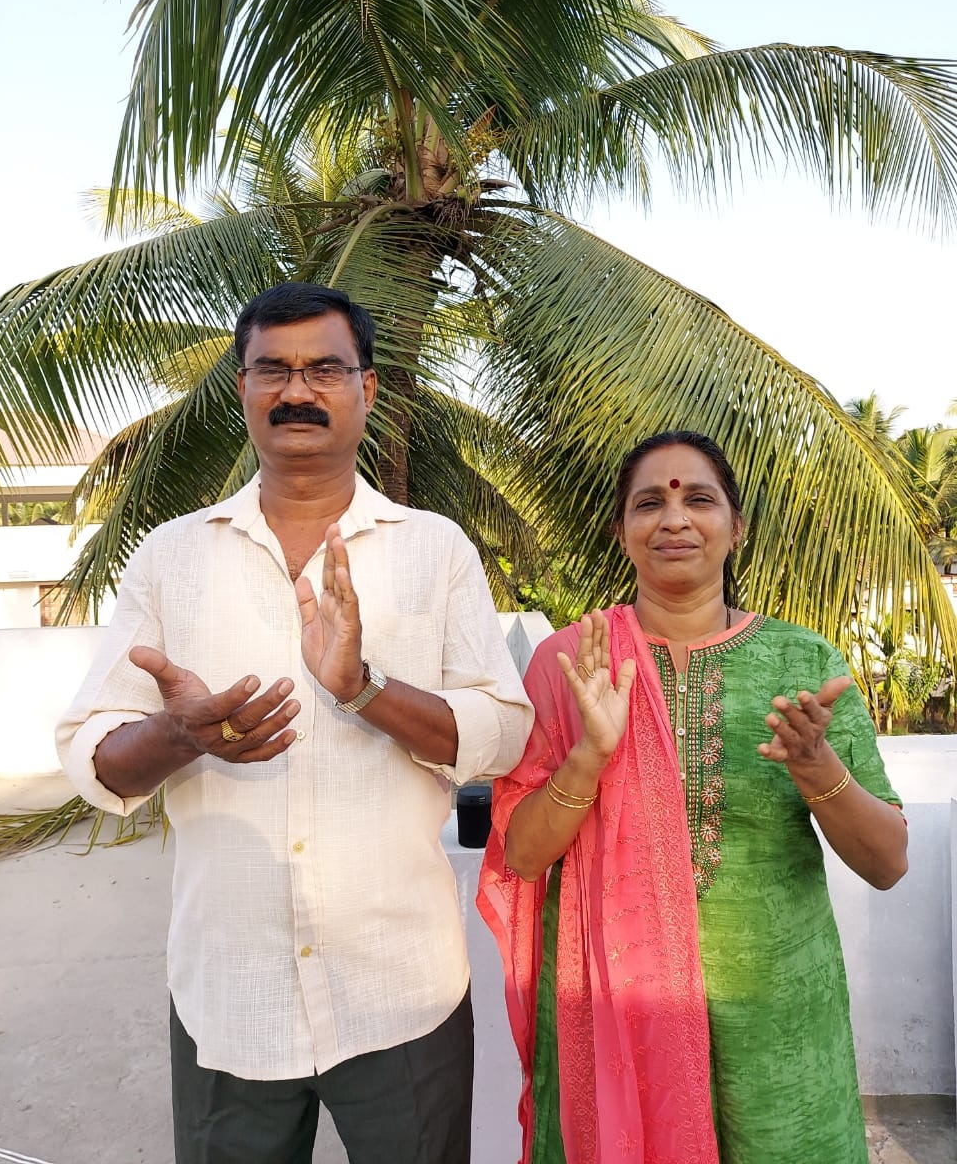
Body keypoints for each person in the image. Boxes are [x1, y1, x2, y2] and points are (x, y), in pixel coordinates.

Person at [57, 281, 533, 1164]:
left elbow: (502, 734)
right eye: (272, 370)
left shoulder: (435, 549)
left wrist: (365, 690)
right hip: (229, 993)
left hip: (401, 990)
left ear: (368, 388)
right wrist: (179, 736)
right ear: (243, 388)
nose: (297, 391)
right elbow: (94, 756)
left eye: (324, 369)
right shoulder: (171, 556)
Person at [477, 429, 907, 1164]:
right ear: (621, 532)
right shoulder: (571, 664)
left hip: (777, 1026)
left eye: (699, 500)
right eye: (649, 503)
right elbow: (521, 856)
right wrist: (588, 757)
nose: (674, 519)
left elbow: (887, 862)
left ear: (736, 529)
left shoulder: (803, 661)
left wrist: (815, 766)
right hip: (615, 1020)